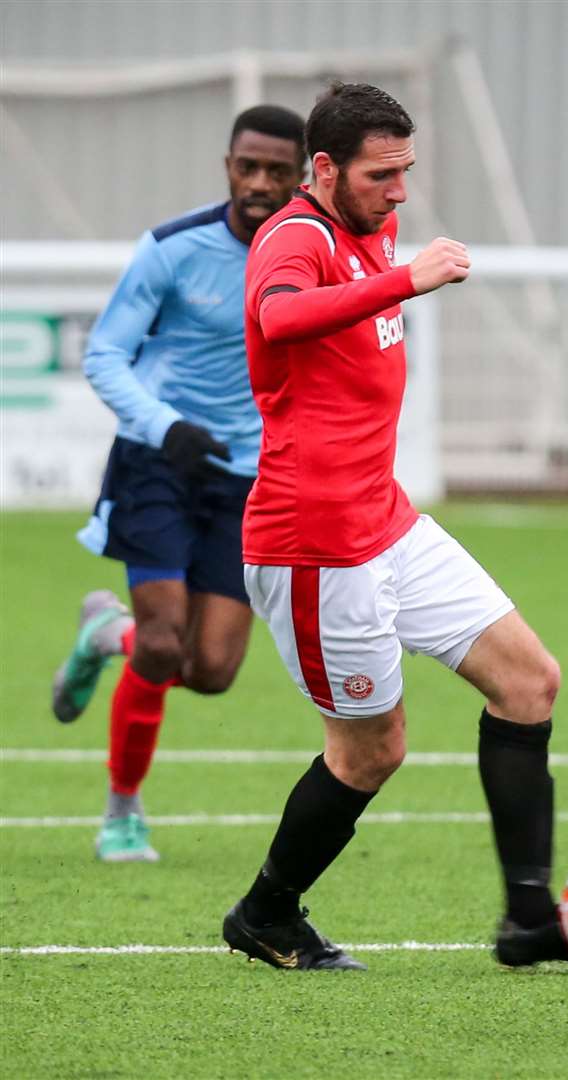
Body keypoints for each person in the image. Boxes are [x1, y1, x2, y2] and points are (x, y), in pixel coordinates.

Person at [221, 82, 568, 972]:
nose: (400, 193)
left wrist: (388, 261)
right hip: (315, 545)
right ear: (326, 168)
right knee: (373, 750)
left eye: (407, 171)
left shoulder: (366, 225)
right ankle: (267, 913)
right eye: (382, 175)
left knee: (530, 681)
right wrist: (403, 279)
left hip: (386, 520)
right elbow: (277, 315)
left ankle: (529, 919)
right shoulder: (295, 235)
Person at [51, 105, 308, 862]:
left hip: (248, 480)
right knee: (163, 646)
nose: (258, 183)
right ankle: (122, 812)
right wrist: (167, 427)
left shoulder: (312, 256)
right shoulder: (172, 248)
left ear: (304, 176)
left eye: (276, 171)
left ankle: (105, 635)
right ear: (227, 163)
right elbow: (104, 356)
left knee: (213, 671)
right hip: (156, 460)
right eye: (245, 166)